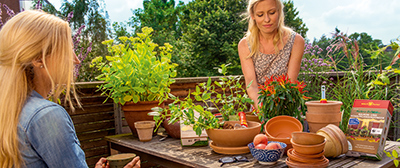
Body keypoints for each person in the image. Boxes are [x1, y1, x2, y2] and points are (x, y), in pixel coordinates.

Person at [0, 10, 140, 168]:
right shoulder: (46, 116)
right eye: (67, 49)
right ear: (39, 58)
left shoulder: (10, 111)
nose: (76, 60)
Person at [238, 0, 305, 109]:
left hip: (287, 107)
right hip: (259, 108)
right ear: (253, 16)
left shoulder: (296, 41)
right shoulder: (245, 45)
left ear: (279, 12)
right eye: (260, 15)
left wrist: (277, 113)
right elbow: (252, 87)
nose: (267, 19)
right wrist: (264, 111)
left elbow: (289, 85)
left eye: (272, 13)